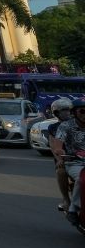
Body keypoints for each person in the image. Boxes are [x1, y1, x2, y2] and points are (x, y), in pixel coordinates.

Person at [52, 98, 85, 228]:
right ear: (75, 112)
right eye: (82, 111)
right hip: (75, 162)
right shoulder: (66, 125)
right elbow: (58, 145)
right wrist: (60, 155)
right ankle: (73, 208)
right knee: (82, 180)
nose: (84, 114)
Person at [45, 98, 74, 211]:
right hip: (65, 159)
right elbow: (53, 146)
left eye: (69, 110)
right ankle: (66, 199)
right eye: (64, 110)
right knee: (61, 171)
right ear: (56, 113)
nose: (67, 113)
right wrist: (60, 159)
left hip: (81, 158)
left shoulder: (79, 125)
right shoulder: (53, 127)